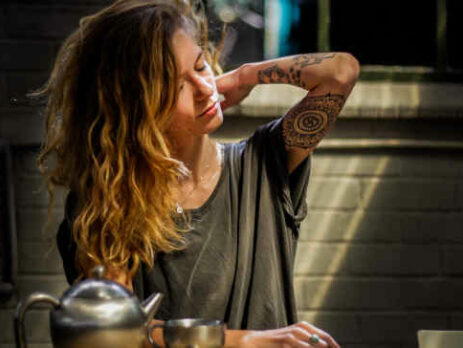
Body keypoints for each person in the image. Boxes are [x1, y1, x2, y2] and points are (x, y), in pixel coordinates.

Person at [36, 0, 359, 346]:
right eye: (176, 86)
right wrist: (245, 341)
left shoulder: (265, 164)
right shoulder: (108, 204)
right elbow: (117, 334)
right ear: (135, 107)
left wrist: (245, 75)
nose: (205, 89)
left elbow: (340, 72)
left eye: (202, 65)